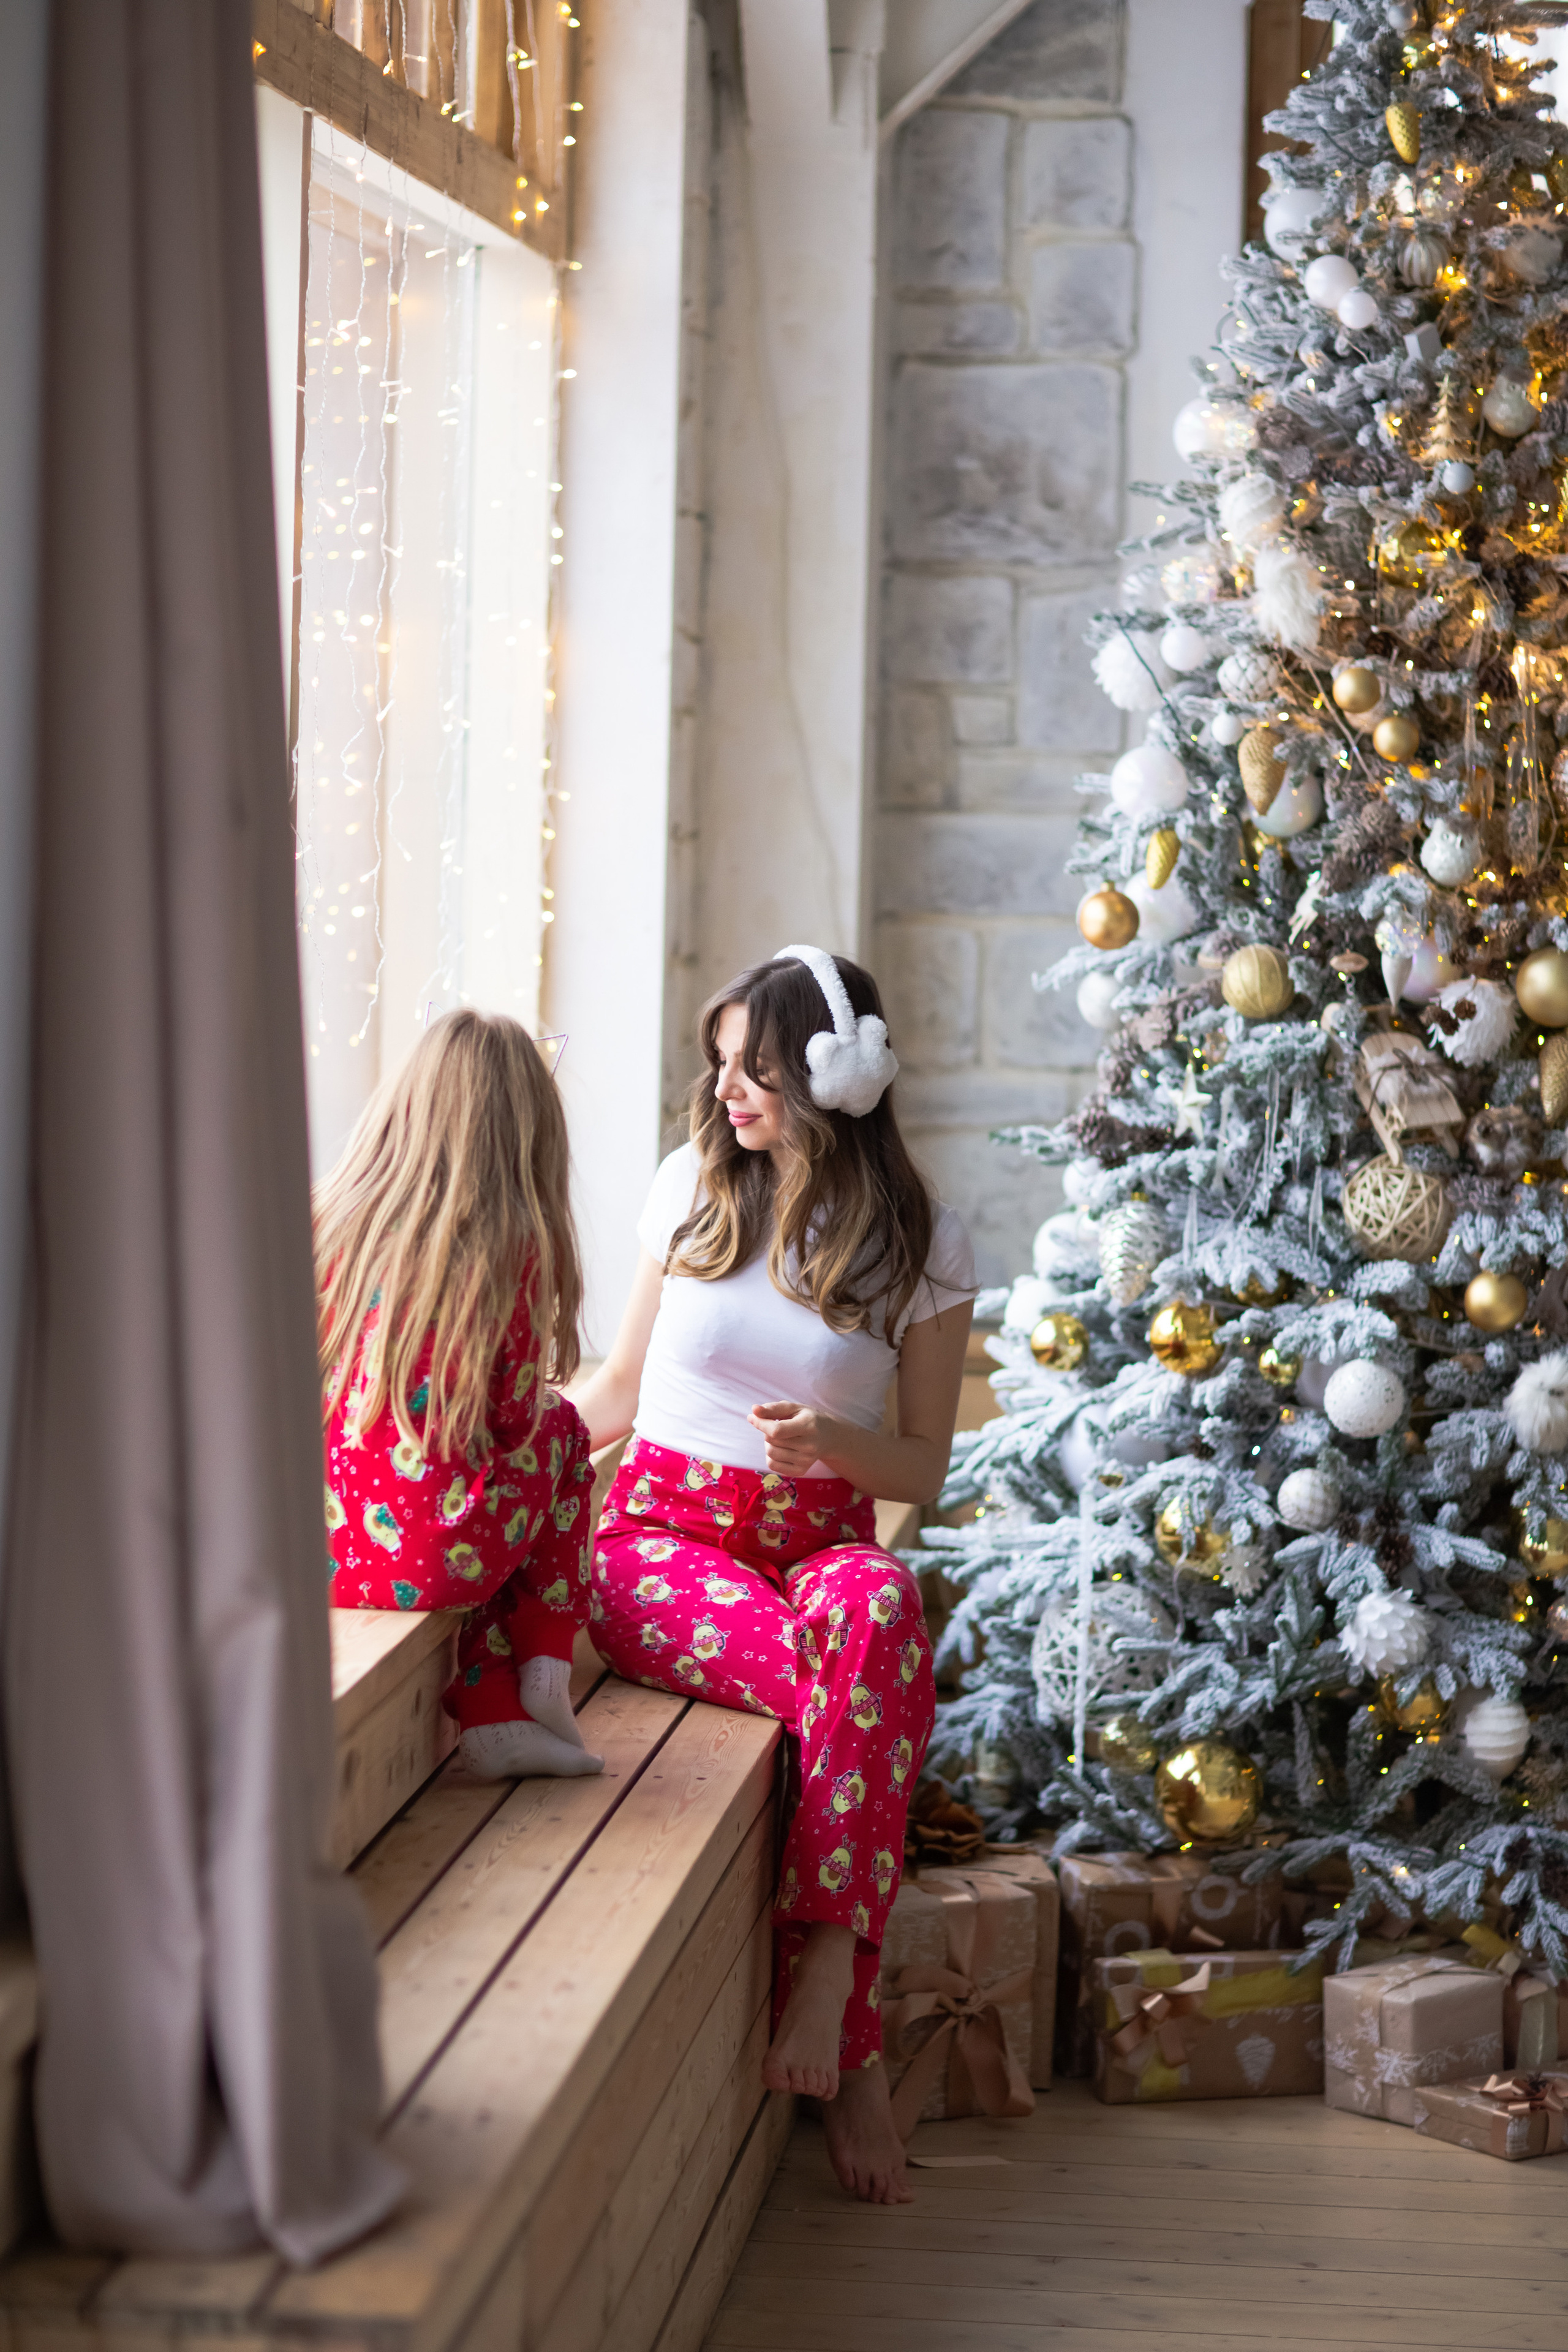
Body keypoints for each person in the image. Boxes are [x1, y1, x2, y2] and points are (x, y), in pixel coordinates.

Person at [571, 947, 974, 2204]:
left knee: (875, 1604)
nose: (726, 1088)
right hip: (660, 1544)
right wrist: (503, 1444)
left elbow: (920, 1467)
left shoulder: (921, 1243)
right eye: (722, 1060)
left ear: (831, 1075)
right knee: (841, 1680)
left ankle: (822, 1978)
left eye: (752, 1066)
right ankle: (852, 2040)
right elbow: (620, 1392)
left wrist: (830, 1444)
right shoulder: (691, 1185)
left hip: (819, 1540)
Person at [316, 1009, 602, 1782]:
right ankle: (544, 1665)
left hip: (329, 1551)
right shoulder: (507, 1249)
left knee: (453, 1488)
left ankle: (491, 1717)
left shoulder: (333, 1220)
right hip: (438, 1557)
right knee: (559, 1436)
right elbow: (512, 1426)